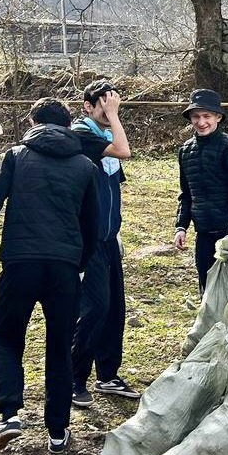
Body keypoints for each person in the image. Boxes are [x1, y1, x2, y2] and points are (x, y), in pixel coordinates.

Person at [0, 98, 99, 455]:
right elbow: (93, 224)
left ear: (33, 121)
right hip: (64, 267)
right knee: (59, 345)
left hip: (20, 262)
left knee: (6, 337)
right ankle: (57, 431)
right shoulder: (85, 165)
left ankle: (9, 414)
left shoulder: (17, 157)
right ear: (68, 125)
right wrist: (78, 262)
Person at [69, 80, 139, 408]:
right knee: (94, 308)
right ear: (88, 106)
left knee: (114, 310)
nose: (110, 109)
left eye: (114, 103)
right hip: (88, 241)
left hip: (110, 237)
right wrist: (114, 117)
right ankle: (74, 378)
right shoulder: (82, 135)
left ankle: (107, 375)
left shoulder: (105, 137)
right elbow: (125, 151)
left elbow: (115, 178)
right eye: (103, 104)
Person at [172, 88, 228, 293]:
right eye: (196, 116)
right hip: (205, 234)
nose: (201, 122)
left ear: (218, 117)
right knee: (207, 291)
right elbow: (186, 194)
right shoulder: (186, 151)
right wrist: (181, 227)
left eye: (206, 116)